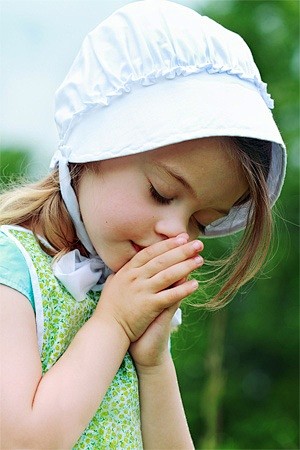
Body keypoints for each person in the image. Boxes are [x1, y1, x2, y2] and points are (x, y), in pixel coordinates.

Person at [0, 1, 286, 448]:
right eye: (161, 192)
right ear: (95, 145)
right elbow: (18, 440)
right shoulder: (12, 274)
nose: (177, 233)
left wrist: (152, 362)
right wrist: (112, 325)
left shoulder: (126, 300)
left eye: (201, 222)